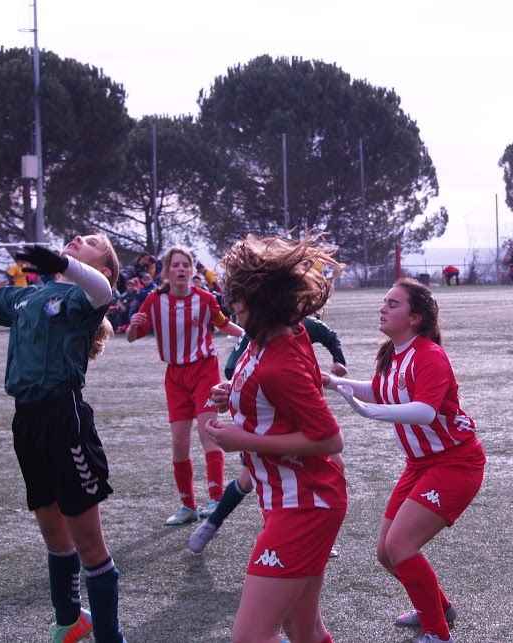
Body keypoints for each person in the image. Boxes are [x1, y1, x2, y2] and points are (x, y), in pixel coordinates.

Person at [0, 237, 127, 643]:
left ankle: (111, 638)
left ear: (102, 268)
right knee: (55, 536)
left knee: (89, 544)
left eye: (90, 242)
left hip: (64, 421)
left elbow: (102, 291)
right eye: (76, 237)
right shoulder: (26, 298)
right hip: (26, 423)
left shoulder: (82, 298)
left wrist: (63, 263)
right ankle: (70, 621)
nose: (78, 239)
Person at [323, 277, 485, 643]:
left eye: (393, 304)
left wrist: (366, 411)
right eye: (385, 301)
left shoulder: (429, 355)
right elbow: (380, 391)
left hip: (456, 463)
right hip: (420, 464)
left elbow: (426, 412)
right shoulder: (393, 353)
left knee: (400, 547)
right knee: (386, 553)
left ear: (415, 318)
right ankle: (439, 608)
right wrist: (334, 384)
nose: (383, 308)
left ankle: (437, 633)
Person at [203, 233, 346, 643]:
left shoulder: (277, 360)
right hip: (291, 500)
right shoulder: (265, 340)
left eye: (235, 297)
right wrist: (233, 395)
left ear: (252, 303)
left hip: (305, 504)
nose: (231, 305)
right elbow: (275, 398)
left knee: (249, 637)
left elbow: (329, 440)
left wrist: (241, 439)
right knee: (303, 629)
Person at [189, 314, 349, 554]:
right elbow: (236, 372)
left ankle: (219, 524)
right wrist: (232, 391)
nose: (236, 308)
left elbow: (330, 440)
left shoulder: (296, 332)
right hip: (272, 423)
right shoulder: (256, 335)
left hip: (295, 429)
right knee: (251, 478)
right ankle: (214, 523)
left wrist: (338, 362)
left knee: (326, 466)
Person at [126, 246, 244, 525]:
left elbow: (222, 324)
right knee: (179, 442)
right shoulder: (153, 300)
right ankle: (187, 506)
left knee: (207, 432)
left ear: (192, 271)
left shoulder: (204, 299)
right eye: (175, 265)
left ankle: (215, 499)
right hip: (175, 377)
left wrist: (251, 334)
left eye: (185, 265)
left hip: (204, 370)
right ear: (166, 271)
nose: (180, 269)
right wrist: (132, 326)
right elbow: (133, 336)